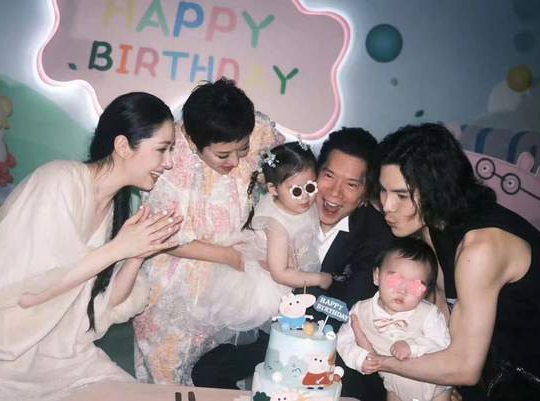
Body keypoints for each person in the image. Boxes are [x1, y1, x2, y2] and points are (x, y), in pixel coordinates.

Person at [0, 92, 183, 401]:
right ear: (123, 146)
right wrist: (118, 249)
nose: (169, 162)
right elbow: (28, 293)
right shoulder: (58, 180)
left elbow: (106, 303)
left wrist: (136, 255)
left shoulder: (117, 208)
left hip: (47, 343)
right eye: (162, 149)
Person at [356, 122, 540, 400]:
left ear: (437, 189)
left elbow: (464, 368)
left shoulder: (480, 249)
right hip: (492, 372)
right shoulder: (435, 223)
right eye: (384, 190)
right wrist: (443, 384)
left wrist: (380, 361)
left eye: (401, 195)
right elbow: (444, 312)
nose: (387, 206)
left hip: (535, 386)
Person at [192, 127, 393, 400]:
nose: (335, 193)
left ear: (366, 193)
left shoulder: (377, 236)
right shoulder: (288, 202)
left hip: (332, 342)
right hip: (276, 327)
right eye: (328, 176)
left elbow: (348, 303)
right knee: (208, 372)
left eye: (351, 184)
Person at [132, 78, 283, 385]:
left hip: (229, 281)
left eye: (242, 149)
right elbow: (161, 237)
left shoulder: (254, 130)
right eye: (223, 155)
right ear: (192, 140)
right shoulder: (169, 163)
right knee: (170, 375)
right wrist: (228, 256)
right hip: (175, 283)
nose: (236, 161)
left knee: (215, 374)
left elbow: (283, 164)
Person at [196, 141, 333, 333]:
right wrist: (319, 279)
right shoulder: (276, 225)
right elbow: (280, 274)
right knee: (281, 321)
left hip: (287, 264)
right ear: (273, 189)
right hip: (267, 280)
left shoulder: (294, 203)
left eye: (310, 187)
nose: (305, 197)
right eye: (296, 191)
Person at [338, 237, 451, 401]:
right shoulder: (361, 310)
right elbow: (344, 339)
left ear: (425, 292)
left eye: (415, 286)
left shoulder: (429, 314)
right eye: (395, 279)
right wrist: (359, 358)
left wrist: (412, 346)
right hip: (394, 388)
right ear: (377, 276)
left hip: (435, 386)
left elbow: (443, 343)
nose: (402, 290)